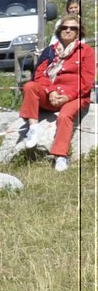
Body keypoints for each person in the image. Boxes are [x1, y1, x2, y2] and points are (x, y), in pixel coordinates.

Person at [17, 14, 93, 172]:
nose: (68, 30)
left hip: (75, 96)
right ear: (59, 31)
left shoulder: (86, 52)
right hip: (52, 94)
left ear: (79, 32)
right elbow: (39, 75)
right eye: (65, 28)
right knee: (30, 86)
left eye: (73, 28)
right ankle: (33, 128)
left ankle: (61, 155)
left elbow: (87, 81)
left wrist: (67, 96)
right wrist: (51, 91)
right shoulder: (50, 51)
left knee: (65, 116)